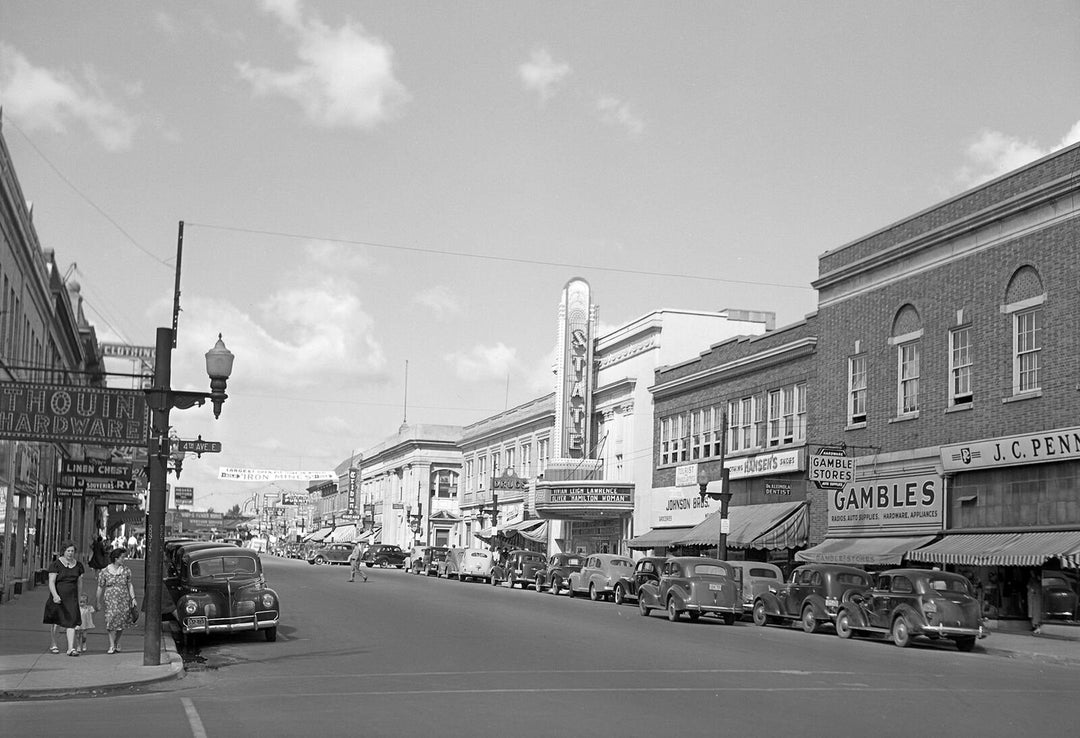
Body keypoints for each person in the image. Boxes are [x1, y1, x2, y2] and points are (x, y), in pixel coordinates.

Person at [43, 540, 84, 656]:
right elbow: (51, 582)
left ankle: (71, 648)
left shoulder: (78, 566)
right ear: (64, 552)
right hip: (58, 596)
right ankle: (54, 643)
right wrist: (55, 595)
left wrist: (79, 597)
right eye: (68, 551)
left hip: (72, 597)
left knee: (71, 622)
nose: (70, 553)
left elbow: (80, 583)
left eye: (72, 551)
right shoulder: (56, 564)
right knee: (56, 621)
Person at [97, 547, 137, 654]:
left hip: (124, 599)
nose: (124, 559)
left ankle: (117, 641)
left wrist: (133, 598)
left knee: (121, 622)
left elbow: (129, 584)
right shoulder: (104, 571)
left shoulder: (126, 570)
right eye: (122, 557)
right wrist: (97, 601)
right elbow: (100, 586)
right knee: (111, 620)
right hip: (110, 599)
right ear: (116, 558)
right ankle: (111, 645)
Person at [1026, 568, 1044, 635]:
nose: (1031, 574)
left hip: (1036, 598)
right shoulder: (1032, 580)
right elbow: (1029, 587)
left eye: (1032, 572)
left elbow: (1032, 588)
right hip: (1033, 598)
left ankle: (1036, 626)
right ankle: (1034, 626)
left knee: (1036, 612)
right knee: (1033, 612)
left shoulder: (1037, 580)